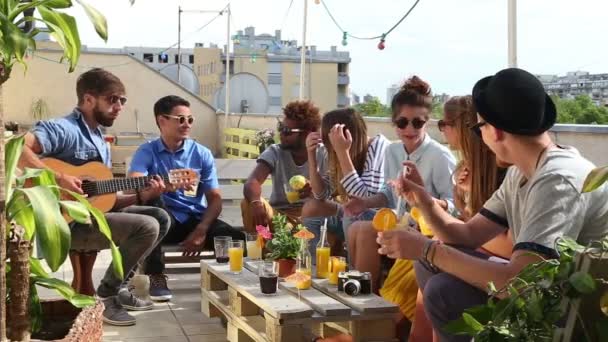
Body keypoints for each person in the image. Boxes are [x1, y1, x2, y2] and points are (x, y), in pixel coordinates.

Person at [378, 68, 608, 341]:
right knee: (427, 265)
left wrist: (429, 249)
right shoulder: (521, 171)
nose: (480, 138)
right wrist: (424, 201)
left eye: (479, 128)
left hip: (562, 317)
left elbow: (521, 283)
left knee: (442, 288)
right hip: (539, 295)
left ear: (495, 131)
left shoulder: (557, 180)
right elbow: (466, 234)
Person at [18, 68, 171, 326]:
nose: (120, 106)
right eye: (113, 99)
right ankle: (107, 295)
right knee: (147, 226)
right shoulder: (63, 128)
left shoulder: (100, 139)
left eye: (123, 100)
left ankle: (118, 286)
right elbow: (19, 149)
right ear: (89, 99)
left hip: (90, 217)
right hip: (64, 225)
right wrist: (60, 177)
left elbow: (103, 199)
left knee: (159, 217)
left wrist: (142, 195)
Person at [408, 95, 511, 342]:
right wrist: (451, 198)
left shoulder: (503, 171)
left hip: (506, 268)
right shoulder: (470, 168)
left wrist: (455, 206)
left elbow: (492, 238)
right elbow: (470, 225)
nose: (441, 129)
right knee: (426, 259)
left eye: (444, 123)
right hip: (490, 256)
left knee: (430, 265)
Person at [345, 76, 456, 293]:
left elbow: (454, 205)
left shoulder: (439, 156)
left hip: (429, 228)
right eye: (403, 122)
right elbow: (389, 192)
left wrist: (425, 201)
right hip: (399, 222)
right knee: (356, 226)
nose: (410, 129)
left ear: (427, 122)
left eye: (418, 122)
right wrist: (365, 202)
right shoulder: (392, 151)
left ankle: (367, 302)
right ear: (394, 123)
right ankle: (361, 295)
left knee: (366, 231)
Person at [128, 95, 246, 301]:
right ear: (162, 121)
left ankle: (228, 280)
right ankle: (156, 275)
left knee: (236, 239)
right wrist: (156, 190)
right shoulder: (147, 151)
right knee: (153, 209)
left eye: (190, 120)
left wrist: (202, 230)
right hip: (166, 222)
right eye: (181, 119)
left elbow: (215, 198)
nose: (187, 125)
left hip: (196, 220)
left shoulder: (201, 154)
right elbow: (135, 182)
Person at [303, 108, 390, 256]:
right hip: (351, 215)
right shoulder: (339, 152)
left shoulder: (378, 147)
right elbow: (320, 194)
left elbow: (366, 200)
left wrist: (343, 152)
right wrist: (311, 155)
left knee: (352, 214)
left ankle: (353, 272)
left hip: (379, 219)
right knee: (311, 207)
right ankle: (315, 266)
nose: (329, 149)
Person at [241, 100, 324, 231]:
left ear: (307, 133)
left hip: (312, 218)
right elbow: (253, 181)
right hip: (279, 218)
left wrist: (315, 190)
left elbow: (336, 193)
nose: (281, 134)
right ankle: (261, 249)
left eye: (287, 131)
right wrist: (256, 202)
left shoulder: (323, 153)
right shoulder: (275, 151)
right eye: (281, 128)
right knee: (248, 202)